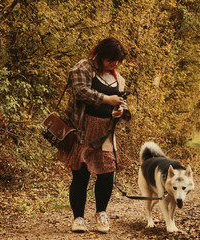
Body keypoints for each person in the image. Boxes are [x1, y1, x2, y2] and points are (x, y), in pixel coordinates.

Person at [57, 37, 131, 233]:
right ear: (100, 54)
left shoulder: (119, 78)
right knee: (80, 174)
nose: (114, 63)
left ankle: (101, 213)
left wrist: (120, 112)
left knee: (107, 173)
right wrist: (107, 99)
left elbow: (123, 104)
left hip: (106, 131)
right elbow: (80, 91)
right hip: (82, 128)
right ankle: (78, 218)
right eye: (110, 59)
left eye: (118, 60)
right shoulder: (83, 68)